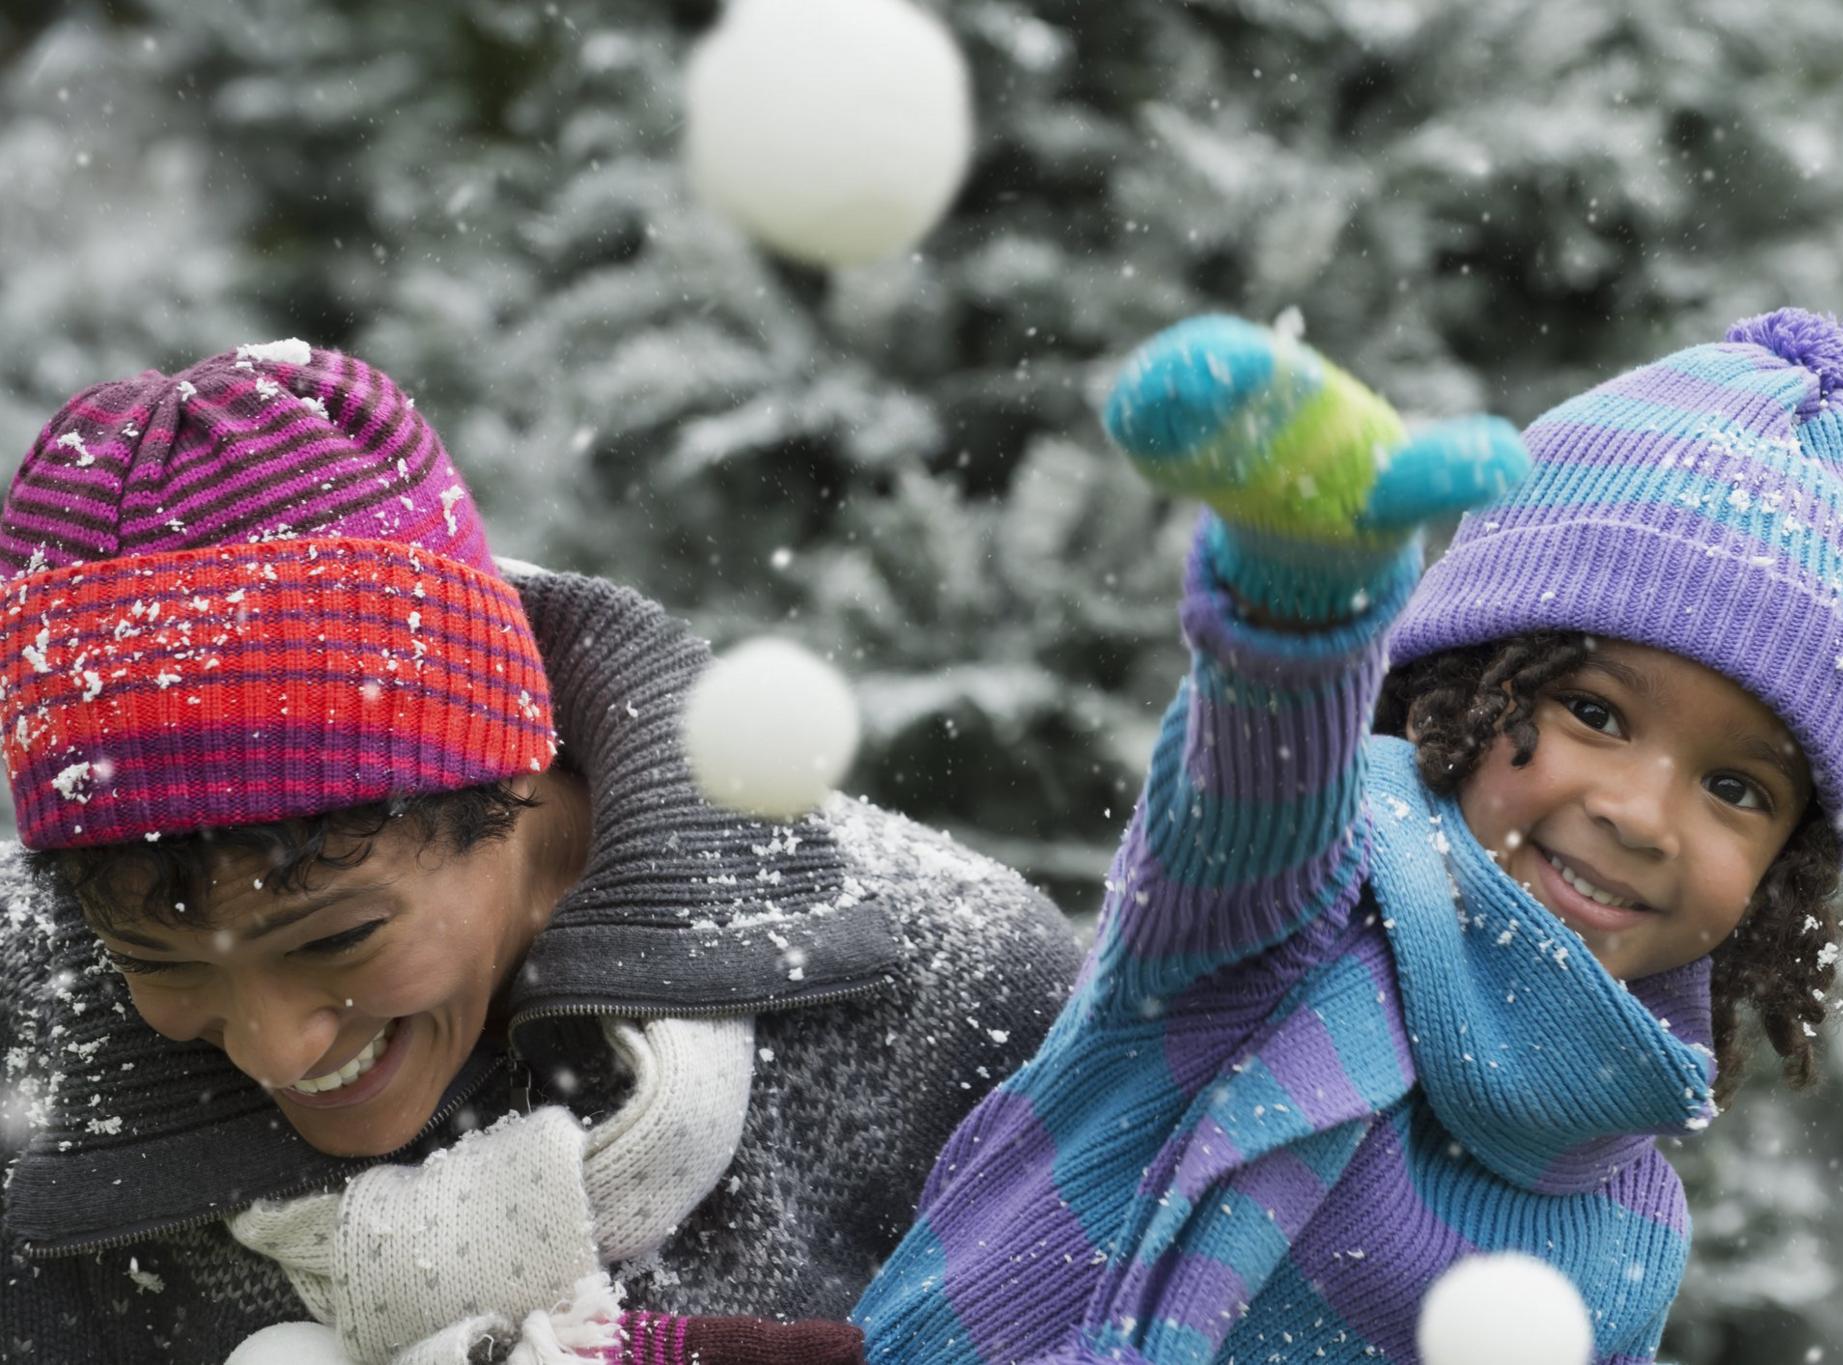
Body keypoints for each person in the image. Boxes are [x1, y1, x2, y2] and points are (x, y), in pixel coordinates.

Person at [854, 308, 1843, 1363]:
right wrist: (1307, 601)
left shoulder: (1627, 1239)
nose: (1640, 815)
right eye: (1592, 713)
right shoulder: (1288, 911)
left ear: (1783, 874)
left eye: (1735, 788)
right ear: (1463, 682)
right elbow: (1254, 782)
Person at [0, 341, 1084, 1362]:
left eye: (338, 937)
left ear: (510, 769)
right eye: (163, 961)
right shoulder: (23, 1033)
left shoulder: (950, 992)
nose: (277, 1050)